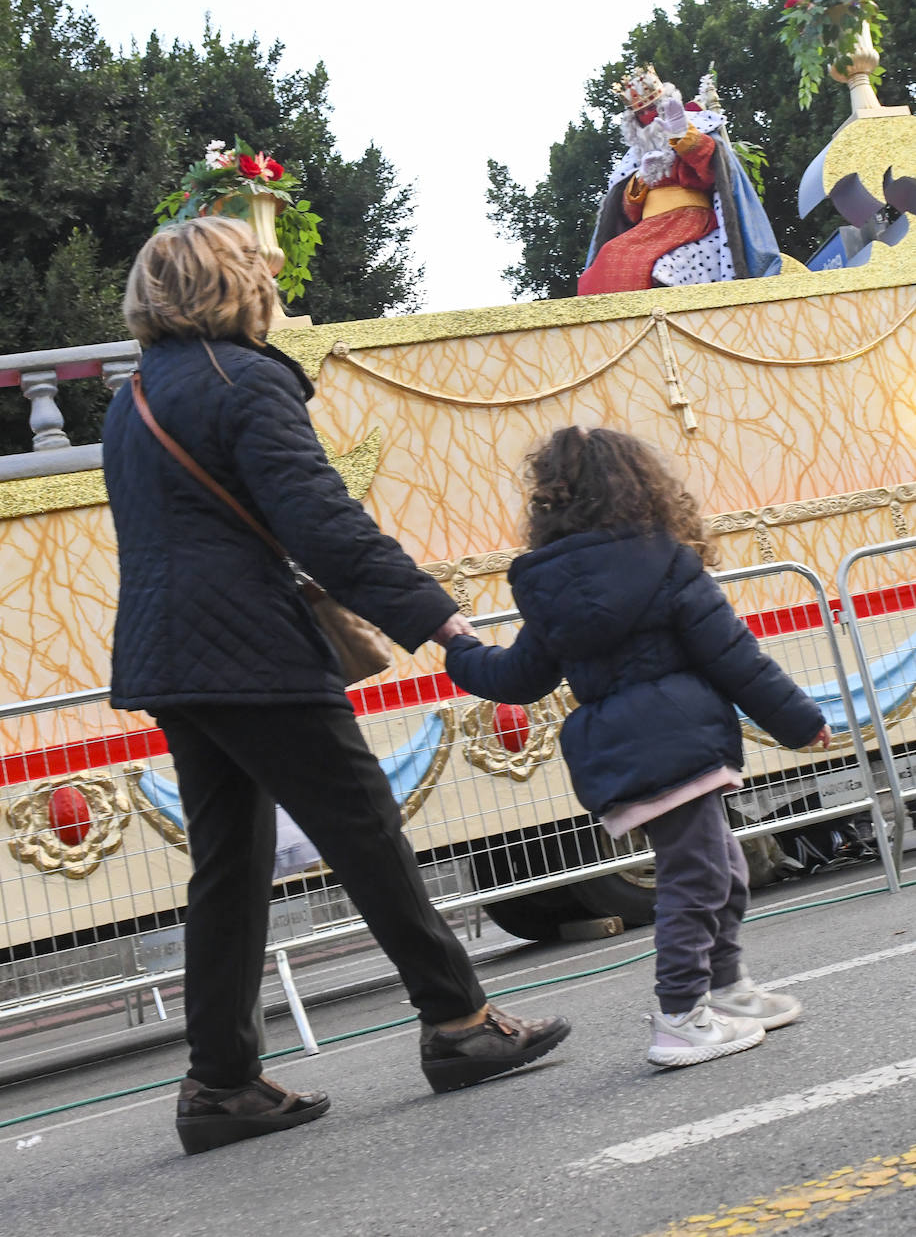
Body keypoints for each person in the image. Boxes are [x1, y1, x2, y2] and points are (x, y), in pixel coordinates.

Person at [102, 216, 570, 1155]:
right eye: (262, 269)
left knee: (227, 870)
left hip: (168, 654)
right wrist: (437, 618)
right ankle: (459, 1022)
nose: (272, 283)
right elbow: (323, 523)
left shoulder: (133, 396)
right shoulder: (248, 381)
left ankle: (221, 1083)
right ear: (234, 283)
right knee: (364, 832)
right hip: (253, 653)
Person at [444, 426, 830, 1070]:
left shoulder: (547, 586)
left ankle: (726, 990)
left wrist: (459, 646)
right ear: (640, 486)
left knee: (721, 868)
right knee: (699, 878)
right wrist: (800, 720)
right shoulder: (667, 563)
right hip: (678, 739)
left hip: (618, 748)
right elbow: (735, 657)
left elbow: (517, 678)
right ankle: (681, 1016)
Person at [578, 65, 781, 295]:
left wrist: (683, 138)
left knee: (659, 266)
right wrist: (640, 181)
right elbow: (627, 214)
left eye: (652, 109)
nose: (649, 118)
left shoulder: (696, 126)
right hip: (649, 228)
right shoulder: (632, 159)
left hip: (689, 219)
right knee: (610, 254)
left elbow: (711, 174)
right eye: (642, 115)